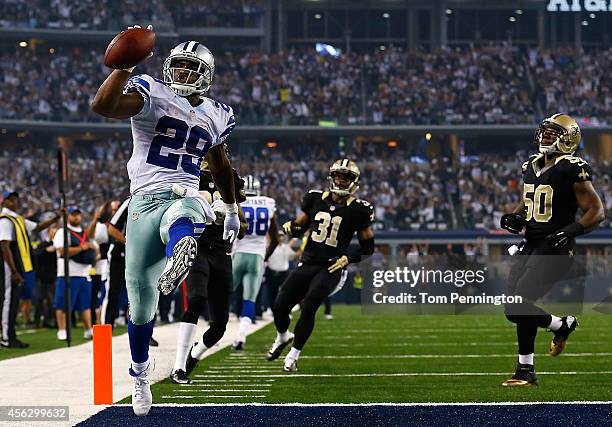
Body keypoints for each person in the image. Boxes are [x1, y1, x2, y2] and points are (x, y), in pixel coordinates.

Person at [92, 28, 240, 416]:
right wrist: (123, 67)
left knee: (186, 210)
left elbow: (222, 169)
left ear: (206, 75)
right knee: (140, 307)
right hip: (143, 200)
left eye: (193, 68)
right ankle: (140, 374)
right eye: (179, 66)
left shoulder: (217, 114)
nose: (183, 73)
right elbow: (104, 106)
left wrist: (232, 207)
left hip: (186, 194)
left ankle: (181, 249)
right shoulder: (151, 91)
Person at [500, 113, 605, 387]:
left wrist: (571, 230)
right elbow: (530, 202)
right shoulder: (530, 166)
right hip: (531, 244)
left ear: (568, 139)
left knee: (518, 305)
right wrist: (516, 216)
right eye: (544, 132)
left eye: (553, 133)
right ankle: (557, 330)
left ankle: (527, 368)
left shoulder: (572, 167)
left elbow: (597, 211)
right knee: (513, 308)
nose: (546, 137)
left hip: (555, 247)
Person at [266, 159, 375, 372]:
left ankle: (293, 355)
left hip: (331, 266)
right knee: (279, 305)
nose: (341, 181)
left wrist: (348, 258)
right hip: (307, 261)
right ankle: (283, 337)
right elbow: (302, 227)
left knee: (310, 304)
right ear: (331, 178)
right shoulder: (315, 199)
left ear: (354, 182)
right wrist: (292, 227)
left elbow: (368, 247)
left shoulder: (359, 210)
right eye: (338, 176)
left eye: (346, 178)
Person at [170, 157, 247, 384]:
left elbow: (242, 228)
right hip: (198, 245)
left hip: (222, 251)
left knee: (220, 325)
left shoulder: (229, 178)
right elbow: (173, 209)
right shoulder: (188, 175)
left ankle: (194, 355)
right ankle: (178, 366)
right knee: (196, 299)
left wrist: (228, 217)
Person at [0, 190, 60, 348]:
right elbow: (4, 246)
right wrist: (13, 271)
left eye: (16, 199)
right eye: (11, 200)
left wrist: (56, 218)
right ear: (4, 202)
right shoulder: (5, 220)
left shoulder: (18, 219)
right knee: (8, 301)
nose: (15, 202)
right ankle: (6, 337)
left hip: (18, 267)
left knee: (14, 301)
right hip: (9, 267)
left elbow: (38, 227)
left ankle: (11, 335)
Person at [231, 175, 279, 350]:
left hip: (238, 253)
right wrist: (265, 257)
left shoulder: (237, 203)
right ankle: (241, 336)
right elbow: (275, 239)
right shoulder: (268, 203)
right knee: (249, 299)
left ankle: (211, 332)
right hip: (257, 255)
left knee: (222, 294)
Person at [53, 207, 97, 341]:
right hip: (68, 273)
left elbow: (95, 249)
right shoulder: (63, 232)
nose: (76, 217)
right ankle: (62, 330)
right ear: (68, 217)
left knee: (84, 305)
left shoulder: (84, 233)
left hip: (84, 273)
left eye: (78, 215)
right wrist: (82, 248)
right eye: (73, 215)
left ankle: (88, 330)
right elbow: (61, 251)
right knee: (63, 303)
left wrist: (92, 250)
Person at [263, 233, 297, 315]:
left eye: (282, 236)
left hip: (283, 273)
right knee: (272, 292)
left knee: (284, 292)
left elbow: (293, 256)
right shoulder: (270, 247)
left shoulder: (286, 247)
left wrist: (301, 249)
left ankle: (285, 310)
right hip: (271, 272)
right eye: (279, 235)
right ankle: (272, 309)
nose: (280, 237)